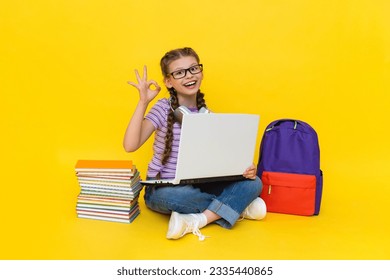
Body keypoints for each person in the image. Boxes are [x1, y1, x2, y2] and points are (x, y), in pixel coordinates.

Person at [123, 47, 266, 240]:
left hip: (201, 186)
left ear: (201, 72)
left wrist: (244, 170)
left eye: (193, 69)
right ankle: (240, 207)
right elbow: (130, 145)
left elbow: (221, 161)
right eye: (179, 72)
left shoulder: (208, 116)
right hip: (164, 190)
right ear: (168, 81)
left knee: (254, 183)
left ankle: (198, 220)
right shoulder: (162, 108)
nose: (188, 76)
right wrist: (143, 102)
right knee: (180, 197)